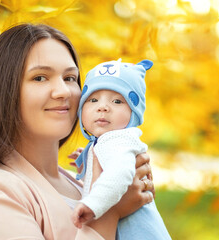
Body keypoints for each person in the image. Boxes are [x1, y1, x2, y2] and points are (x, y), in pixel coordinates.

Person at [0, 24, 155, 240]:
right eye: (40, 77)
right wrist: (109, 211)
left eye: (70, 78)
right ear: (4, 91)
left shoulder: (82, 183)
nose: (64, 91)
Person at [71, 59, 171, 239]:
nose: (103, 107)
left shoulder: (117, 140)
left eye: (117, 101)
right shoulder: (105, 143)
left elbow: (119, 174)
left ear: (134, 112)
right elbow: (104, 174)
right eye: (93, 99)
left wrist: (92, 204)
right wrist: (86, 164)